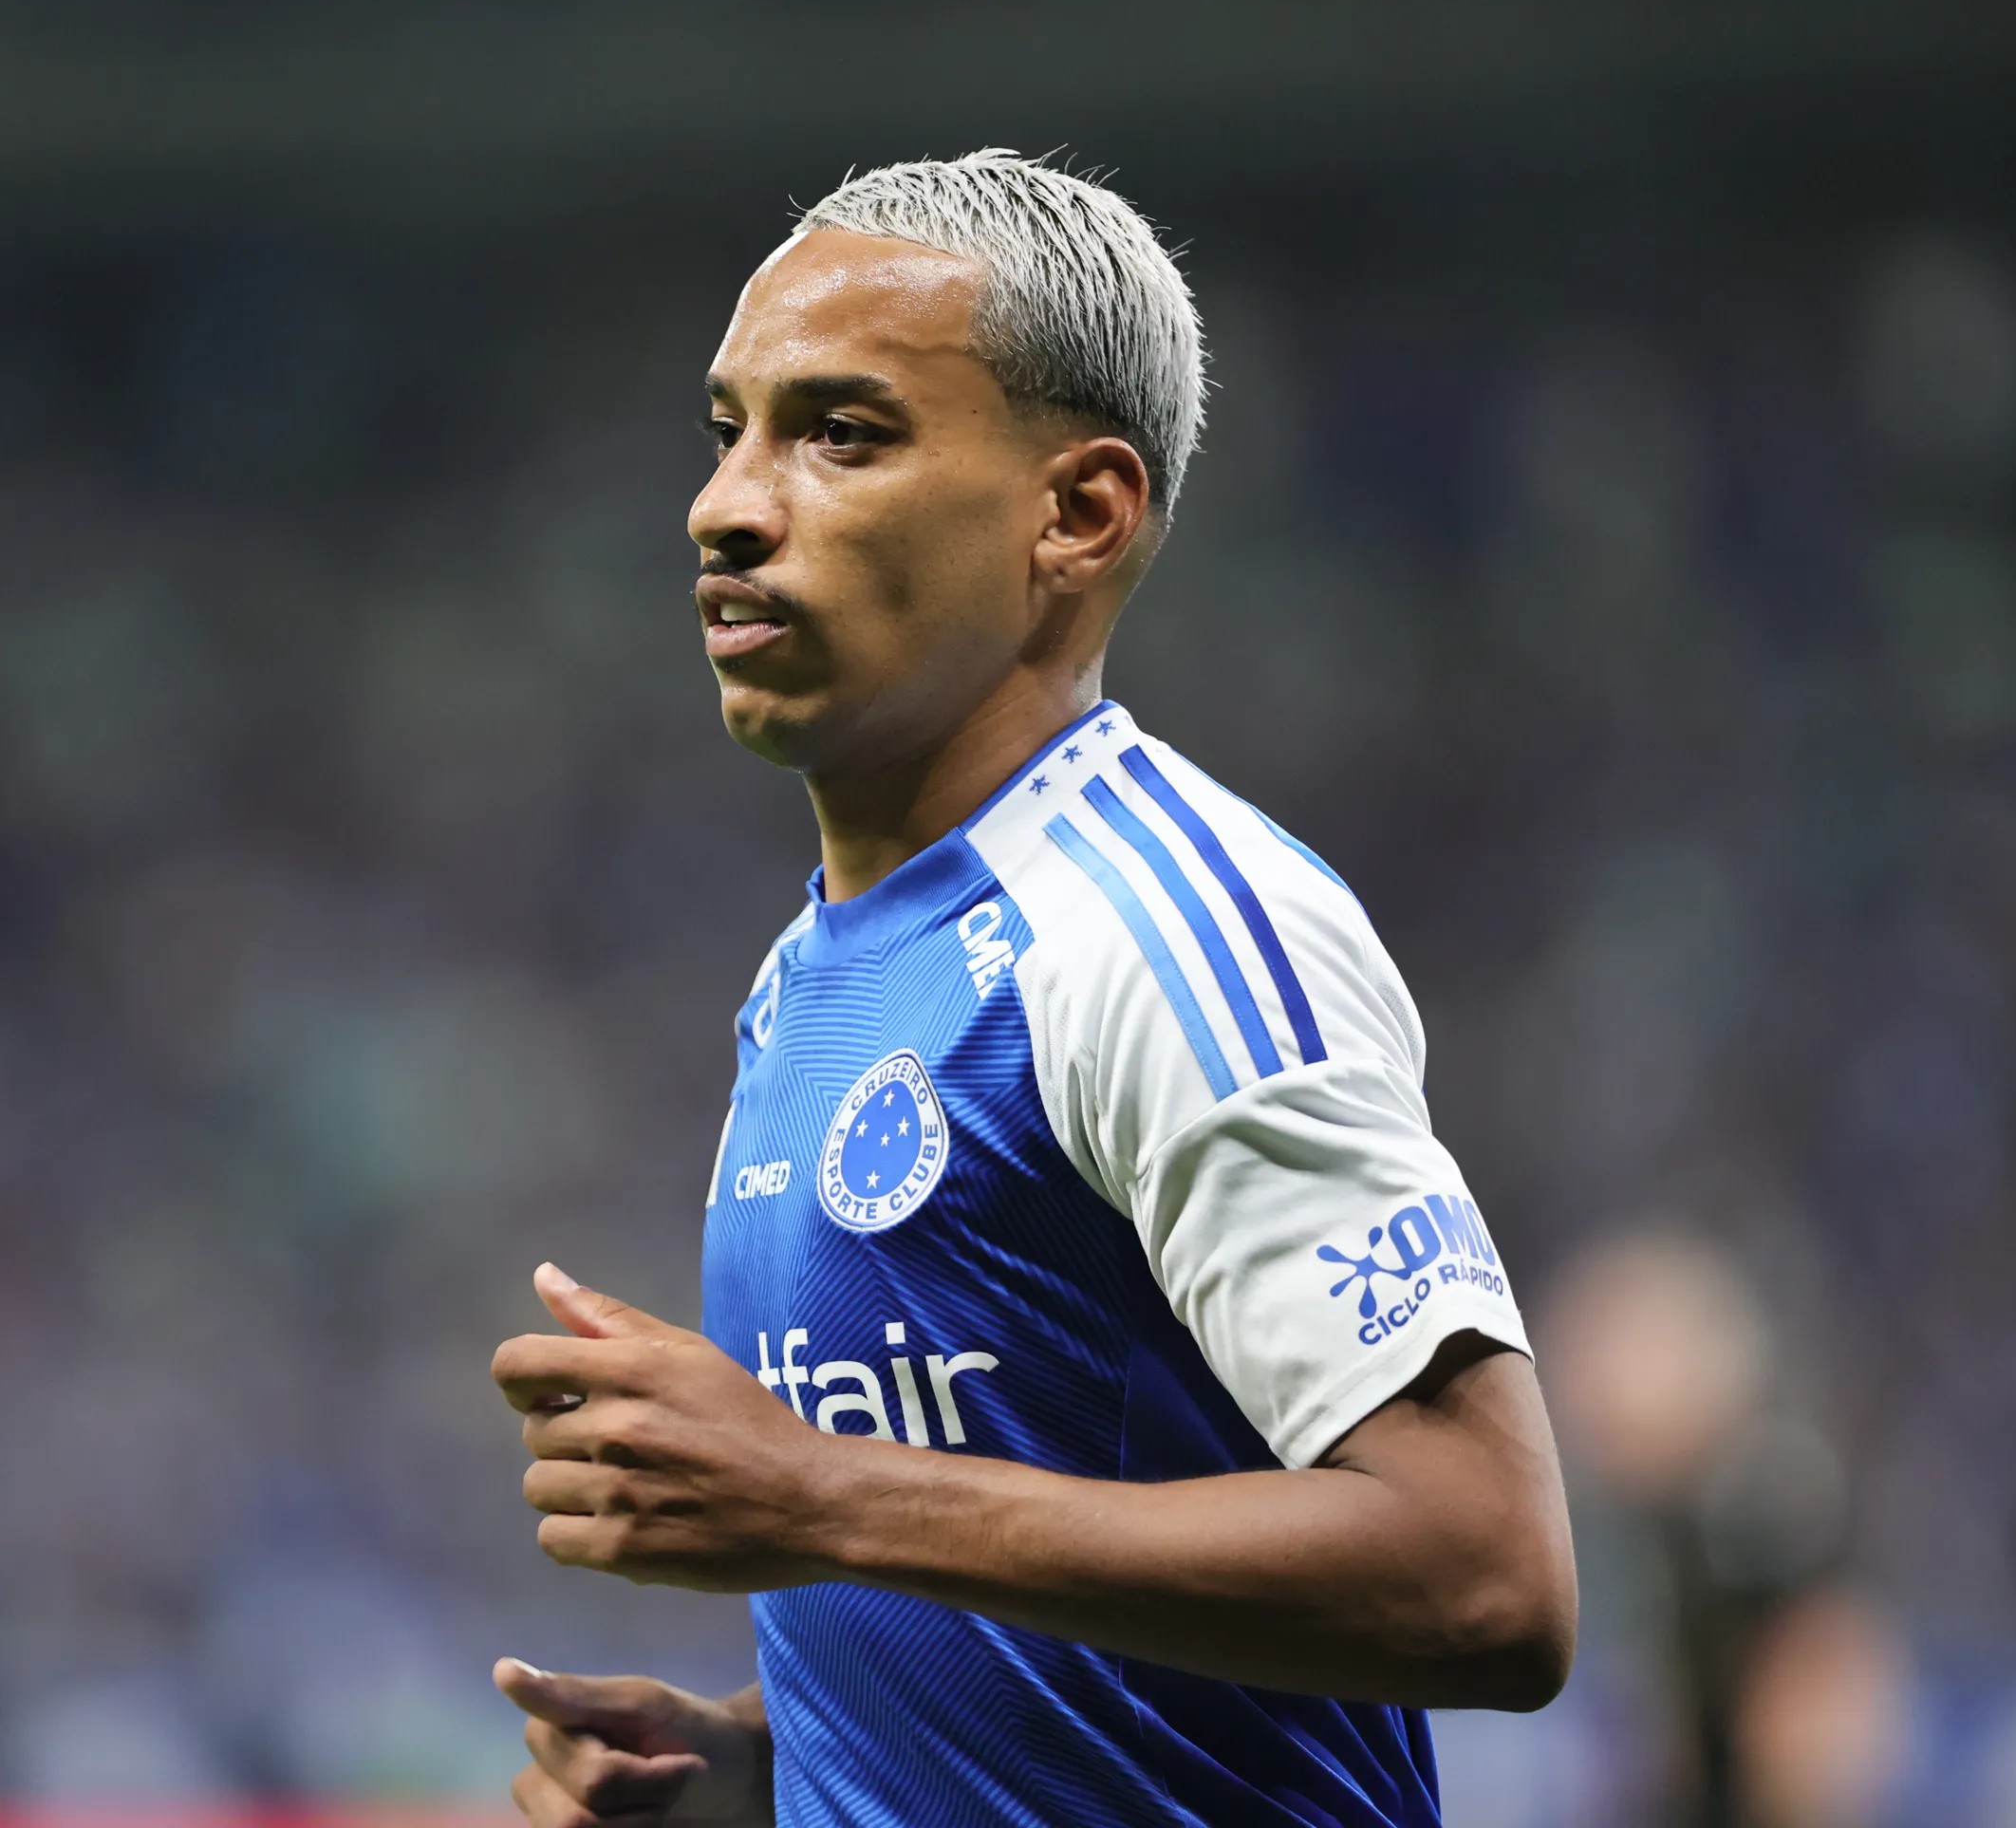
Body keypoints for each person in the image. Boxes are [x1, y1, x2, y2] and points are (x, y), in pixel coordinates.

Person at [490, 149, 1577, 1828]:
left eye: (841, 433)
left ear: (1077, 515)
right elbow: (1047, 1628)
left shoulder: (1161, 927)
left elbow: (1485, 1575)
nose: (726, 503)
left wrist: (820, 1497)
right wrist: (757, 1768)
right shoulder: (812, 978)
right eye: (732, 431)